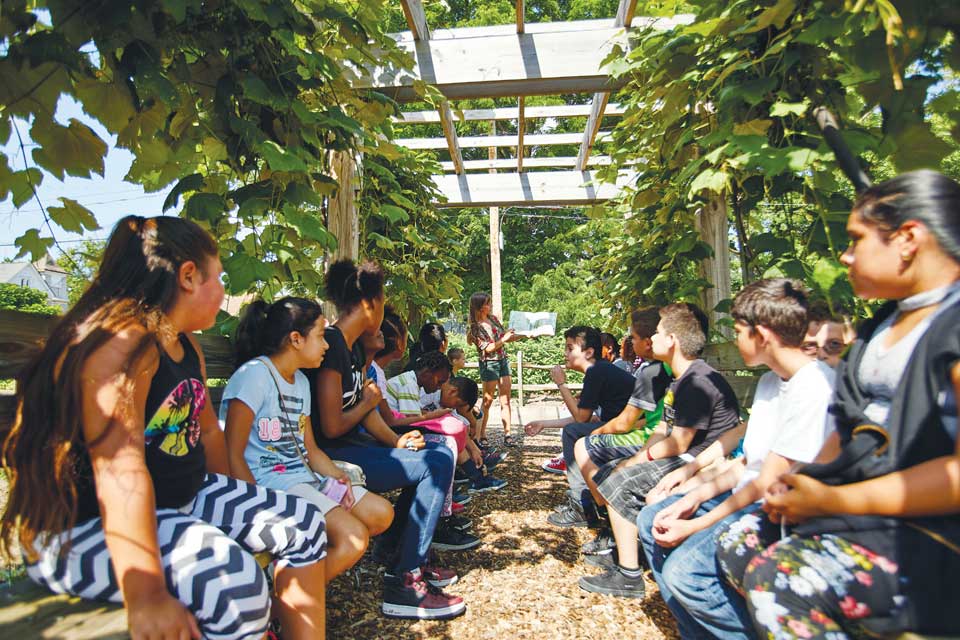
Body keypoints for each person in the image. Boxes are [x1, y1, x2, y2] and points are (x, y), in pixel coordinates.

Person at [0, 216, 328, 639]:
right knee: (233, 583)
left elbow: (209, 434)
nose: (225, 291)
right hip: (80, 531)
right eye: (220, 278)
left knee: (305, 522)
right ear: (189, 277)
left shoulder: (185, 343)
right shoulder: (122, 345)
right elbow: (121, 474)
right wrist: (147, 593)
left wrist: (234, 518)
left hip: (176, 501)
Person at [716, 170, 960, 638]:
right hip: (868, 513)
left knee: (780, 580)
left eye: (856, 239)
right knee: (738, 541)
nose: (845, 255)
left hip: (933, 533)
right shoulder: (877, 332)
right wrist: (801, 486)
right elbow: (846, 435)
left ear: (908, 238)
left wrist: (834, 499)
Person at [635, 279, 836, 639]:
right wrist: (692, 493)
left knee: (688, 573)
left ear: (761, 335)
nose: (735, 337)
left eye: (739, 330)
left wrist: (695, 524)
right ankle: (693, 629)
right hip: (743, 493)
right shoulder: (770, 383)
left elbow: (766, 482)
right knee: (653, 518)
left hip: (775, 508)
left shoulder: (815, 387)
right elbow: (747, 464)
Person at [305, 259, 465, 620]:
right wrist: (367, 403)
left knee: (436, 449)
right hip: (331, 455)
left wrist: (396, 442)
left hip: (356, 446)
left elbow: (371, 411)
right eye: (382, 300)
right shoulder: (332, 344)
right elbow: (331, 426)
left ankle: (396, 551)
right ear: (369, 304)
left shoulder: (354, 349)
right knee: (436, 462)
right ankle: (406, 580)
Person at [222, 297, 394, 582]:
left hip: (303, 478)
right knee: (353, 538)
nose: (327, 345)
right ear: (296, 339)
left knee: (381, 514)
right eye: (320, 336)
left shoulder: (301, 382)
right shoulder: (254, 376)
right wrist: (253, 505)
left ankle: (291, 574)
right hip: (271, 485)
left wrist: (338, 477)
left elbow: (310, 448)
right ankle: (282, 603)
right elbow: (232, 453)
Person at [578, 303, 741, 598]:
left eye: (659, 333)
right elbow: (663, 430)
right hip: (686, 455)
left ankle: (629, 575)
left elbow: (680, 443)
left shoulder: (697, 380)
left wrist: (635, 463)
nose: (652, 339)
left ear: (673, 341)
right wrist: (637, 458)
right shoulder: (681, 379)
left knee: (621, 481)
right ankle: (627, 549)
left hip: (701, 460)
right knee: (613, 473)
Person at [573, 307, 674, 556]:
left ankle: (609, 518)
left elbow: (623, 424)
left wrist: (595, 434)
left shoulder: (652, 371)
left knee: (581, 444)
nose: (630, 342)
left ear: (649, 342)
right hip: (656, 433)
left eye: (634, 338)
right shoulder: (666, 369)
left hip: (649, 438)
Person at [525, 326, 635, 528]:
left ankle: (582, 505)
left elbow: (581, 419)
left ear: (589, 352)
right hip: (622, 428)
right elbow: (588, 418)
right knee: (573, 431)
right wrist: (544, 424)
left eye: (569, 348)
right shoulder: (600, 371)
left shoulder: (597, 372)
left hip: (633, 432)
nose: (565, 354)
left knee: (572, 433)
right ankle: (586, 499)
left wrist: (561, 385)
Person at [467, 292, 526, 447]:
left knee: (505, 400)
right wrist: (504, 339)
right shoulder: (475, 328)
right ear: (479, 307)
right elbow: (488, 348)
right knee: (487, 401)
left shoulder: (493, 319)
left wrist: (526, 334)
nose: (490, 305)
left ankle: (508, 435)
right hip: (489, 364)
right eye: (487, 303)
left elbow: (506, 337)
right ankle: (481, 435)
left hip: (503, 361)